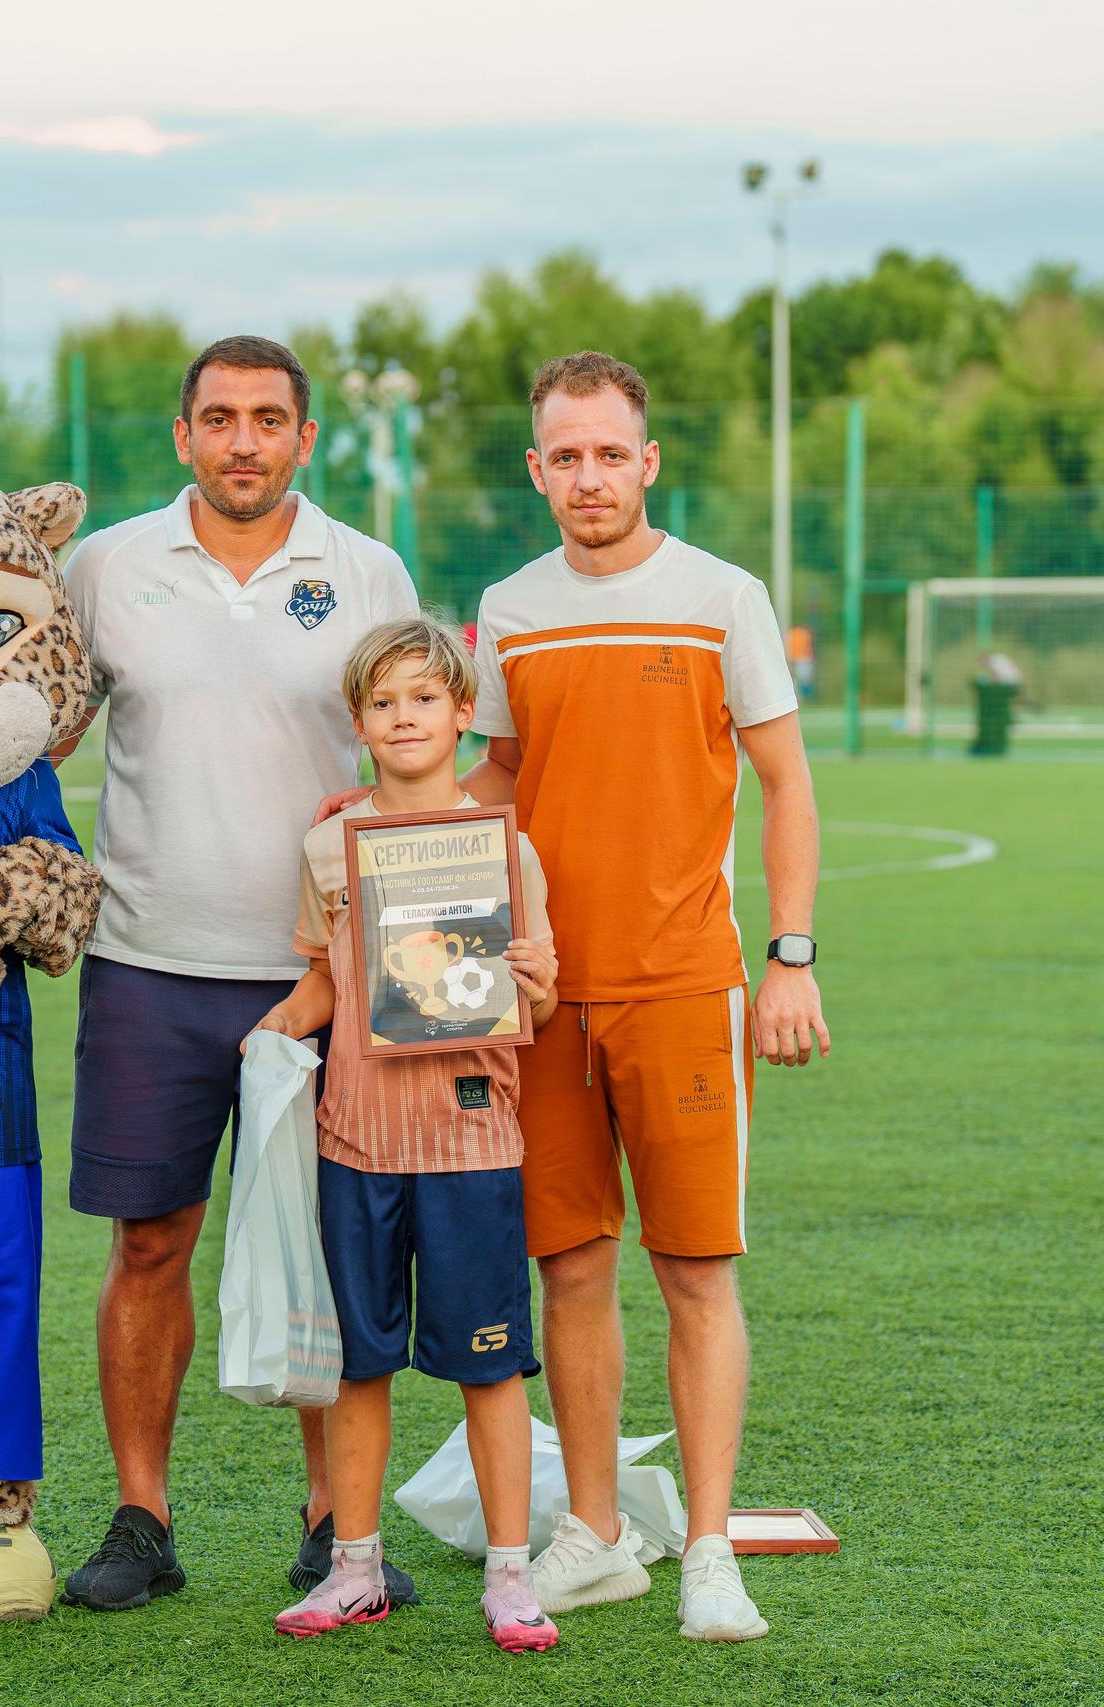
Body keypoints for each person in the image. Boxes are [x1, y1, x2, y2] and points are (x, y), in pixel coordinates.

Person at [50, 336, 422, 1613]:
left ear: (305, 438)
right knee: (150, 1241)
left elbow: (413, 759)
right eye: (219, 418)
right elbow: (38, 737)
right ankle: (141, 1520)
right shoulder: (108, 567)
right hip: (147, 962)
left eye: (268, 419)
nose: (243, 441)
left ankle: (335, 1526)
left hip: (323, 975)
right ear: (183, 436)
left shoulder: (367, 571)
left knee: (327, 1247)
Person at [460, 351, 828, 1641]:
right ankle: (597, 1535)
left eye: (610, 453)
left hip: (683, 989)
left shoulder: (721, 596)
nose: (589, 477)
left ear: (648, 461)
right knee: (569, 1271)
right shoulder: (508, 608)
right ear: (536, 469)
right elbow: (500, 779)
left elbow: (787, 783)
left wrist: (790, 956)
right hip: (543, 995)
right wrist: (387, 833)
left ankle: (712, 1552)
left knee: (695, 1274)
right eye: (565, 455)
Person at [253, 618, 563, 1651]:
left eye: (424, 698)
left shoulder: (505, 848)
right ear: (358, 722)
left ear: (463, 712)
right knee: (359, 1365)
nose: (403, 718)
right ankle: (355, 1568)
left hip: (472, 1146)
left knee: (489, 1368)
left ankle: (511, 1577)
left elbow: (538, 997)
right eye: (382, 702)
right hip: (357, 1142)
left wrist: (539, 983)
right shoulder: (327, 843)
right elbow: (323, 978)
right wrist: (277, 1026)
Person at [787, 624, 817, 701]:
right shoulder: (798, 633)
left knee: (803, 679)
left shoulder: (799, 633)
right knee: (800, 679)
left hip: (801, 659)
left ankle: (803, 697)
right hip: (798, 659)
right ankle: (801, 697)